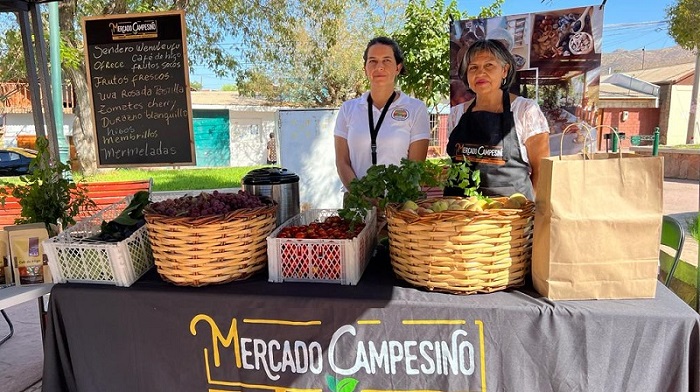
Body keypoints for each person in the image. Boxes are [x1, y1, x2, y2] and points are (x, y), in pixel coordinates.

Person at [445, 39, 550, 200]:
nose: (480, 73)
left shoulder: (525, 111)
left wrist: (529, 210)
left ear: (505, 70)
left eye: (489, 65)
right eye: (473, 67)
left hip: (510, 218)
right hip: (461, 213)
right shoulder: (456, 114)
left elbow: (542, 171)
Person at [334, 36, 430, 191]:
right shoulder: (348, 109)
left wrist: (391, 202)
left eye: (386, 60)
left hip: (400, 204)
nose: (379, 66)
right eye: (372, 61)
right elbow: (342, 161)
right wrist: (362, 196)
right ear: (365, 68)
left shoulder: (415, 109)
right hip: (357, 204)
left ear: (398, 67)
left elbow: (415, 167)